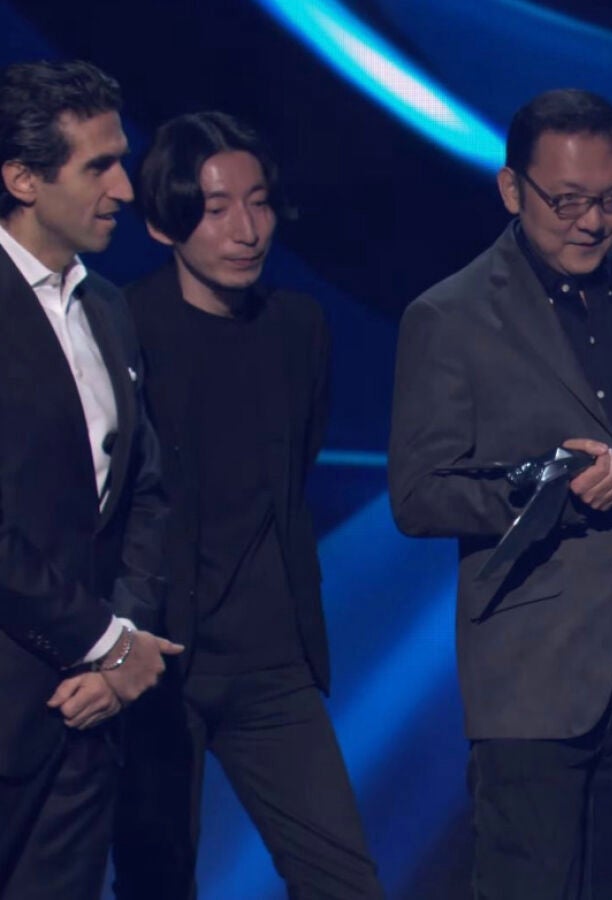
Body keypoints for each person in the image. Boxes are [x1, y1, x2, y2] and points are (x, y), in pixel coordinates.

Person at [388, 88, 612, 899]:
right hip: (534, 675)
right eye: (568, 201)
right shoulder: (448, 316)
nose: (592, 222)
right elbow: (419, 494)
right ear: (512, 190)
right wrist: (550, 487)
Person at [110, 111, 382, 898]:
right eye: (216, 207)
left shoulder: (299, 327)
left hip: (272, 661)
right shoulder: (123, 327)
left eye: (258, 202)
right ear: (163, 224)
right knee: (157, 883)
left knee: (344, 881)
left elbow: (294, 467)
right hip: (158, 660)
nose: (247, 229)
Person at [0, 59, 180, 899]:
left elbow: (142, 491)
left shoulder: (106, 305)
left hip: (88, 718)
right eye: (98, 167)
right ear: (22, 180)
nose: (125, 189)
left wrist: (123, 646)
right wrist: (105, 641)